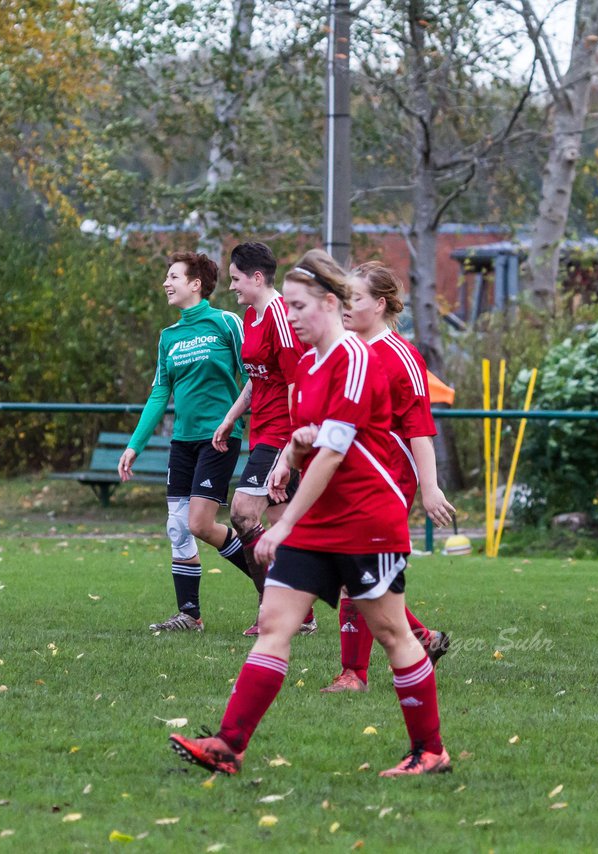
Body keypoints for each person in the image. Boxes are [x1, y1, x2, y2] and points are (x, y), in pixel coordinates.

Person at [169, 249, 450, 777]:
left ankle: (430, 751)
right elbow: (321, 442)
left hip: (367, 517)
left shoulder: (356, 358)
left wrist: (287, 521)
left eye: (298, 306)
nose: (290, 316)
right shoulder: (312, 363)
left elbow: (341, 450)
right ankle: (229, 745)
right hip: (321, 516)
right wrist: (291, 455)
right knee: (275, 624)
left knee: (393, 634)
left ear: (328, 302)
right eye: (289, 306)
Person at [321, 261, 455, 692]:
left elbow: (419, 429)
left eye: (354, 298)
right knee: (361, 576)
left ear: (379, 305)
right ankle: (421, 638)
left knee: (354, 572)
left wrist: (430, 489)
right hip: (352, 478)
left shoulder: (402, 355)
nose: (345, 306)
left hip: (389, 480)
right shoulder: (346, 350)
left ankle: (354, 675)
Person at [118, 251, 256, 632]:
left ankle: (271, 580)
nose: (166, 282)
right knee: (177, 527)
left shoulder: (226, 323)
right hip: (182, 443)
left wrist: (236, 422)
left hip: (219, 439)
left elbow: (254, 376)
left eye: (174, 276)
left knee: (199, 523)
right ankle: (189, 614)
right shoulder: (168, 337)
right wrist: (134, 446)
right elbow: (159, 395)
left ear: (196, 284)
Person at [213, 242, 315, 636]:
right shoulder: (252, 318)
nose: (232, 287)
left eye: (236, 279)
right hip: (262, 433)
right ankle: (301, 613)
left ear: (257, 277)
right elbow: (259, 379)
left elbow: (296, 382)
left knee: (242, 513)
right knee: (280, 527)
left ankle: (272, 612)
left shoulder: (279, 318)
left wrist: (292, 448)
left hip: (280, 435)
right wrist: (230, 418)